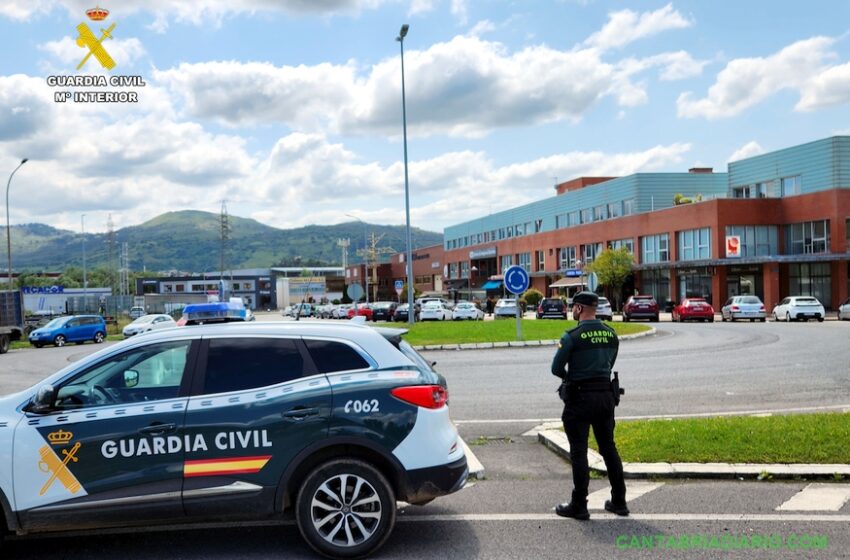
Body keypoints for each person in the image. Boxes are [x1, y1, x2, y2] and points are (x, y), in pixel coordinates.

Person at [550, 291, 628, 520]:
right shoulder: (611, 334)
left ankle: (579, 504)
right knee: (608, 448)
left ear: (579, 309)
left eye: (573, 307)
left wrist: (571, 377)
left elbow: (556, 369)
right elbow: (609, 362)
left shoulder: (571, 336)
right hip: (605, 398)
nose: (572, 311)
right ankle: (619, 500)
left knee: (579, 451)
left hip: (579, 398)